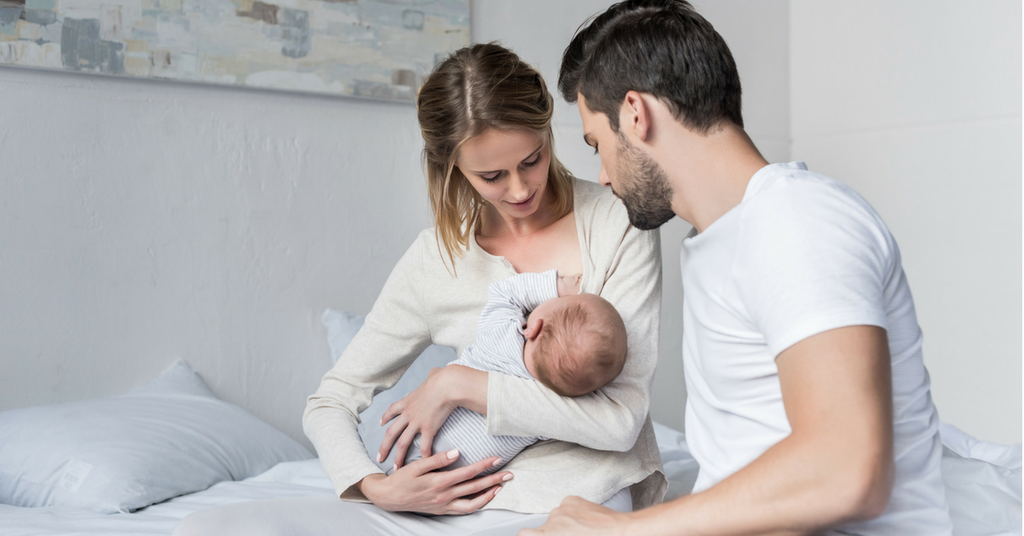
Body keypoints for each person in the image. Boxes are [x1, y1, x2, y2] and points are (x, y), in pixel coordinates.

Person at [173, 42, 664, 536]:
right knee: (204, 528)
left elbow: (619, 423)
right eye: (492, 176)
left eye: (532, 159)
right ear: (453, 168)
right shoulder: (436, 260)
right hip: (444, 507)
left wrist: (458, 385)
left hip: (576, 500)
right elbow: (330, 400)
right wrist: (373, 486)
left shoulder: (616, 223)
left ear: (546, 130)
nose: (519, 189)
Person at [524, 1, 953, 535]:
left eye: (598, 145)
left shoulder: (796, 218)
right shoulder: (720, 241)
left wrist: (624, 531)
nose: (605, 177)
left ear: (635, 114)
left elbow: (846, 470)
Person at [376, 269, 628, 475]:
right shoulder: (549, 409)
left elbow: (504, 292)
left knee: (382, 438)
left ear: (535, 327)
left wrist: (559, 286)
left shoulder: (500, 334)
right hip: (448, 474)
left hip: (406, 431)